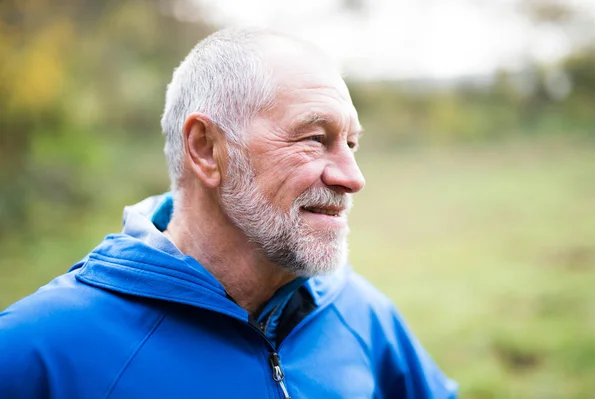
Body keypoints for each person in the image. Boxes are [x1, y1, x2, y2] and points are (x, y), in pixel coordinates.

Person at [0, 28, 457, 398]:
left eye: (352, 144)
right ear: (206, 148)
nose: (352, 176)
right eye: (315, 138)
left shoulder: (359, 312)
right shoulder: (36, 352)